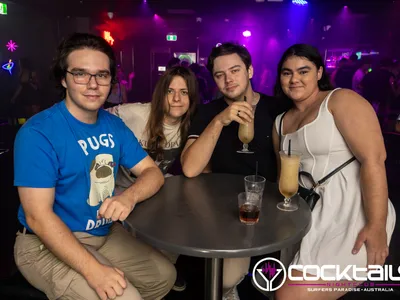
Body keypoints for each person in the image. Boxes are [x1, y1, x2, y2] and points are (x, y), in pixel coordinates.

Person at [13, 32, 176, 300]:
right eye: (80, 74)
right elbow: (38, 217)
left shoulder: (114, 126)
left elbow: (152, 173)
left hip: (104, 232)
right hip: (42, 243)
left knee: (164, 276)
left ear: (111, 80)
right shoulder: (38, 133)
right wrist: (94, 270)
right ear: (64, 79)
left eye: (101, 75)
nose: (92, 84)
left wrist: (129, 196)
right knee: (126, 297)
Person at [272, 44, 396, 300]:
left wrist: (376, 225)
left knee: (290, 295)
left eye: (303, 71)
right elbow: (283, 175)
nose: (294, 79)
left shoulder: (340, 100)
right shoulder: (280, 122)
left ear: (319, 72)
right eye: (287, 73)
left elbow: (374, 160)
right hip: (310, 211)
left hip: (352, 207)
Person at [180, 42, 288, 300]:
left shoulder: (276, 109)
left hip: (271, 209)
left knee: (275, 285)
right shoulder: (208, 112)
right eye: (220, 74)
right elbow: (191, 168)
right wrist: (221, 120)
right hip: (223, 212)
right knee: (225, 279)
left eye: (235, 70)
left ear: (250, 71)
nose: (228, 79)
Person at [107, 66, 198, 292]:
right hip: (121, 189)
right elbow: (96, 117)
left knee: (183, 208)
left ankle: (166, 268)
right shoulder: (136, 113)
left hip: (158, 187)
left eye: (184, 92)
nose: (177, 98)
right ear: (161, 94)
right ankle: (142, 274)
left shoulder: (192, 124)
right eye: (170, 91)